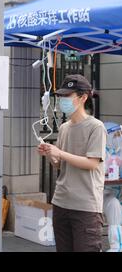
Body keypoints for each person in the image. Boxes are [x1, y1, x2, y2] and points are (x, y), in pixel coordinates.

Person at [38, 74, 107, 252]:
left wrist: (59, 152)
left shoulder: (96, 127)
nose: (62, 100)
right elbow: (60, 164)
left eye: (67, 96)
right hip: (61, 202)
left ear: (83, 97)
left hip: (86, 206)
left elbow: (92, 163)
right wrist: (51, 155)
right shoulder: (64, 127)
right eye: (61, 96)